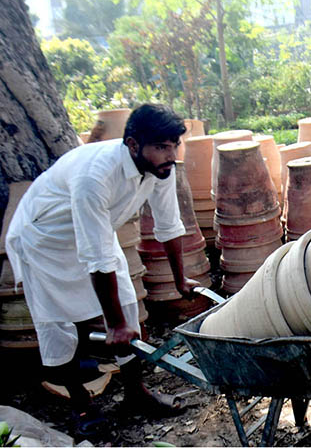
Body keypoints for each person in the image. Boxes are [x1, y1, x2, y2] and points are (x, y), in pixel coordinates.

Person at [5, 104, 199, 436]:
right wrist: (115, 327)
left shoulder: (161, 169)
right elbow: (96, 258)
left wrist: (181, 281)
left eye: (174, 145)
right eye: (161, 147)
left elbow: (168, 226)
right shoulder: (94, 175)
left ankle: (137, 394)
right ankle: (81, 405)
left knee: (125, 307)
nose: (170, 154)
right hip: (45, 240)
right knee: (57, 326)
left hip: (93, 231)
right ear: (134, 145)